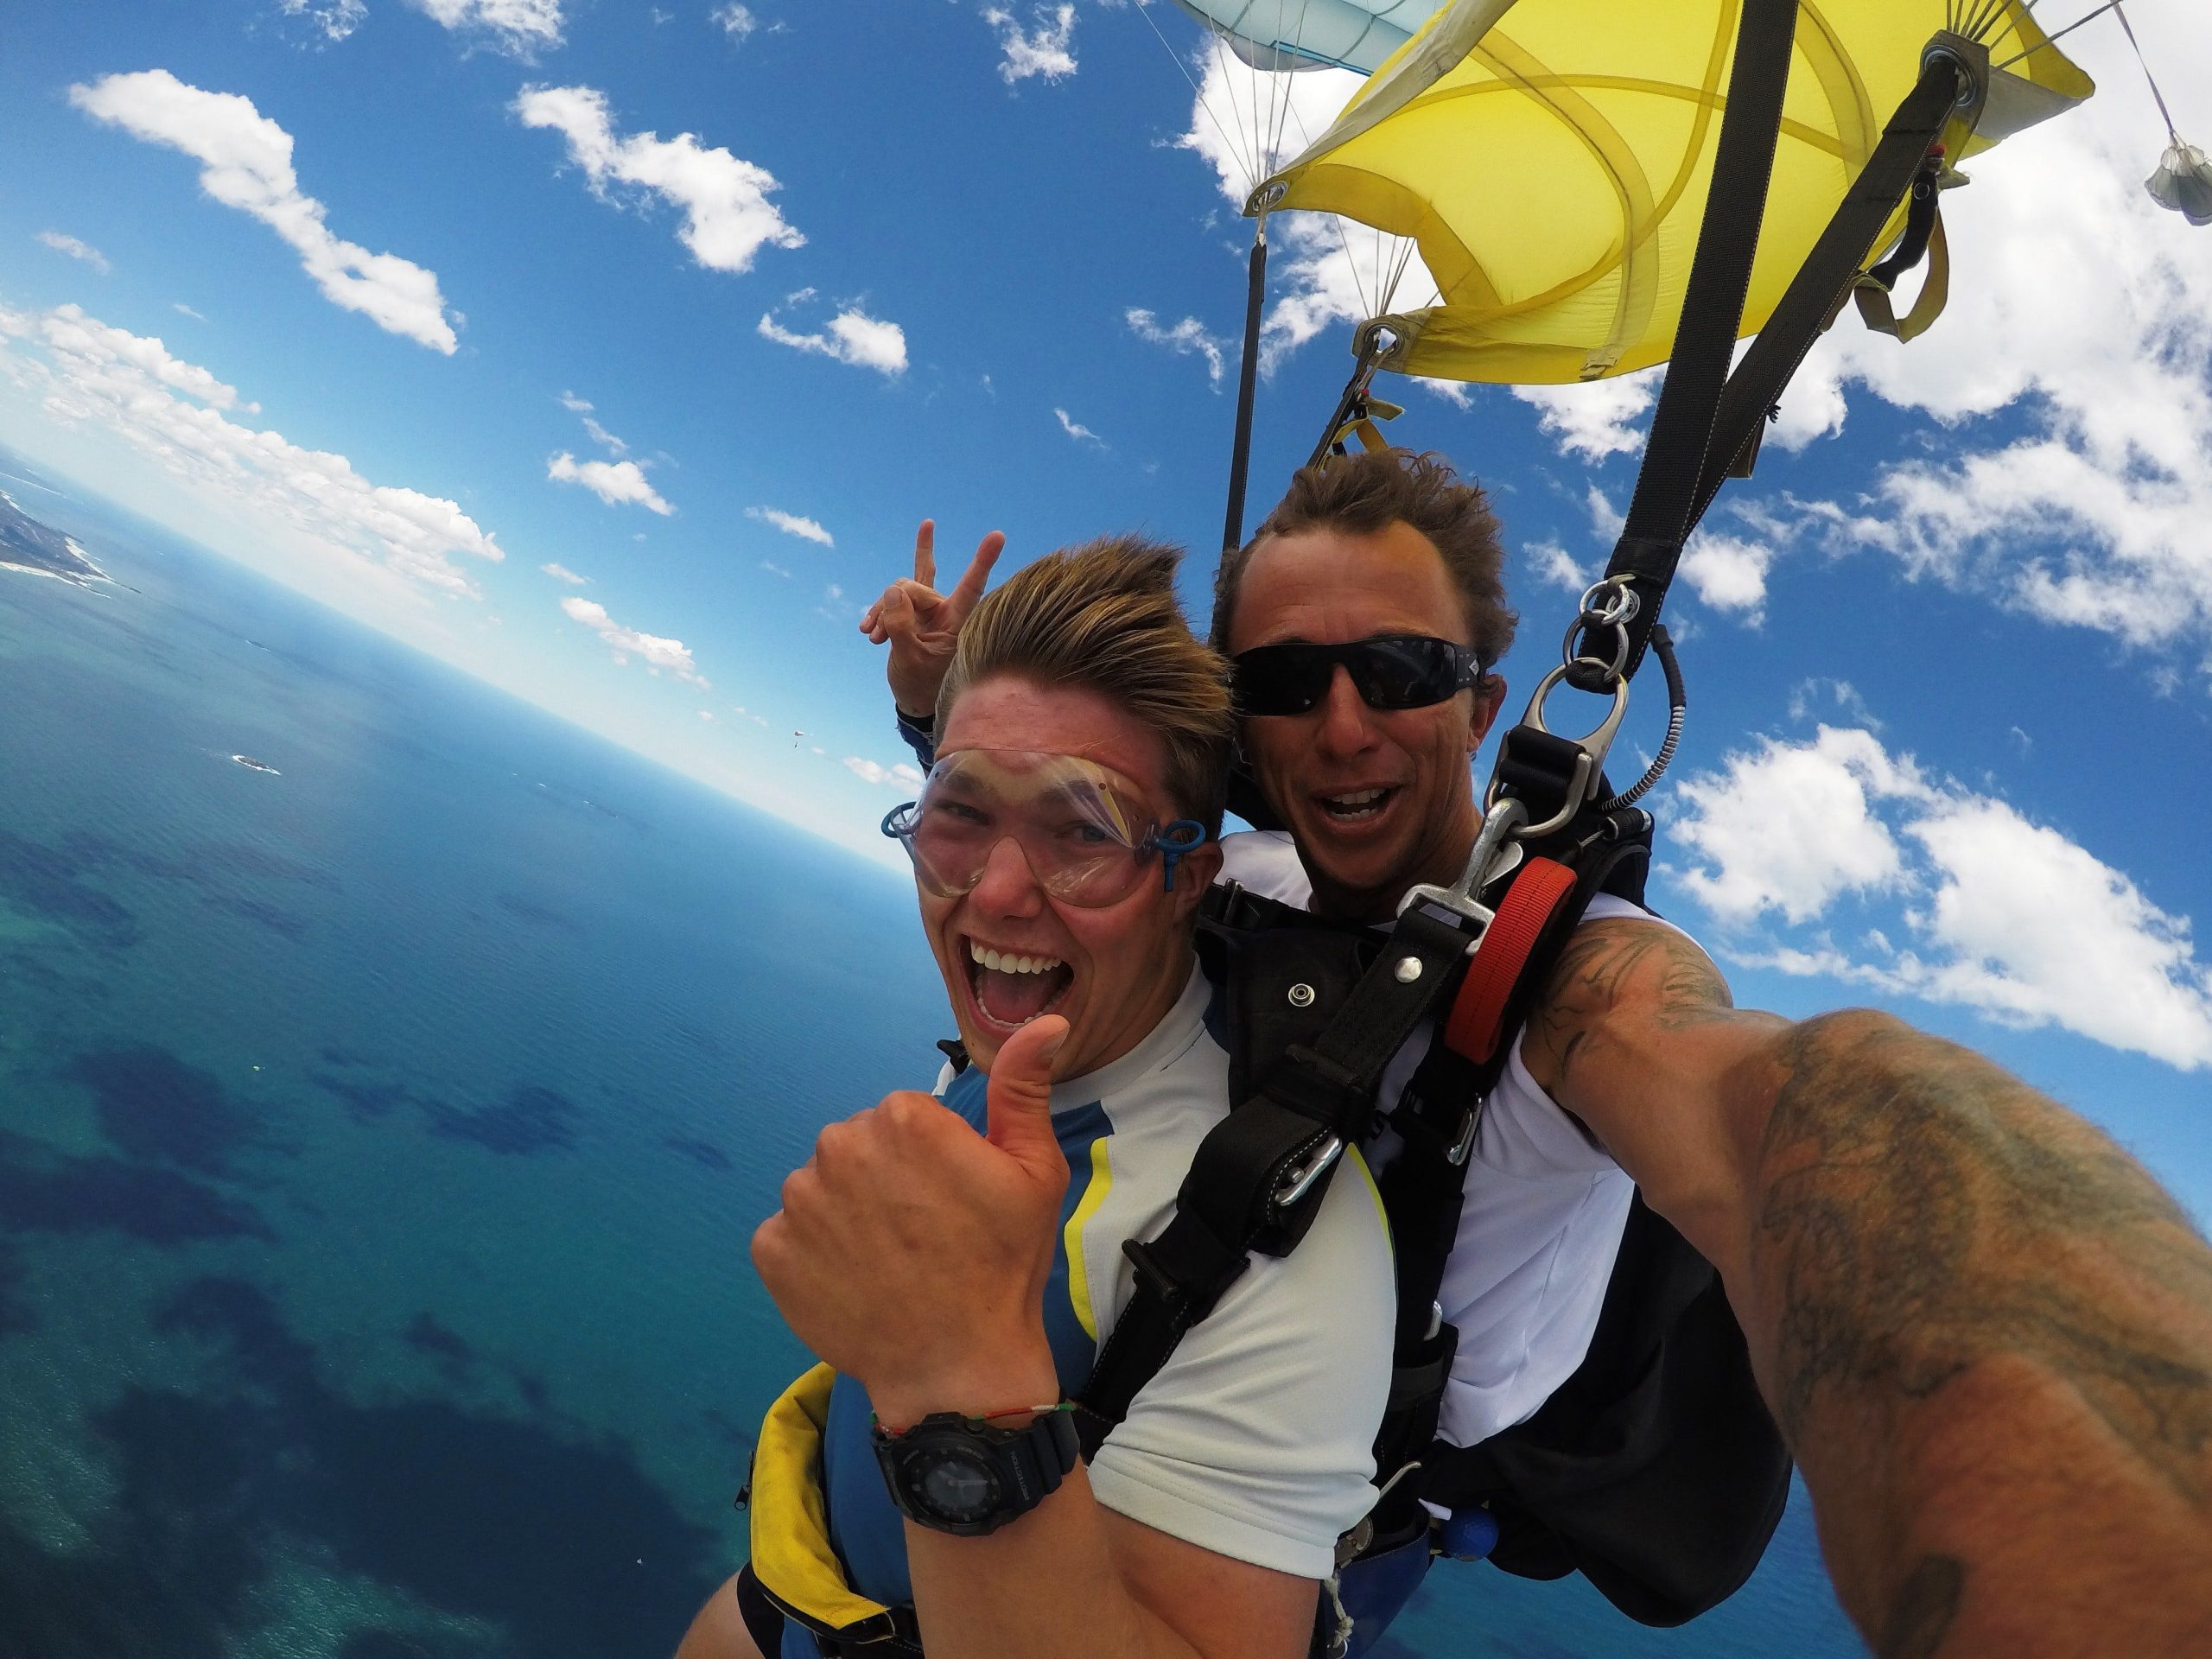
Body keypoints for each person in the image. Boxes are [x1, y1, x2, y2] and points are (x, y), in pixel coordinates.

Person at [862, 449, 2212, 1657]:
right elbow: (1056, 849)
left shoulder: (1575, 979)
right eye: (1285, 680)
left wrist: (2092, 1494)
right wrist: (939, 712)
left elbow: (1773, 1121)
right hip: (1127, 1389)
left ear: (1485, 697)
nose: (1342, 726)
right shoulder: (1242, 870)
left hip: (1335, 1513)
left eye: (1399, 673)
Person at [677, 537, 1395, 1659]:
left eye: (1083, 830)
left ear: (1188, 878)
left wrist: (950, 1382)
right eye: (958, 814)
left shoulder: (1276, 1237)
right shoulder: (1056, 1021)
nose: (997, 895)